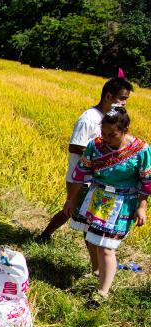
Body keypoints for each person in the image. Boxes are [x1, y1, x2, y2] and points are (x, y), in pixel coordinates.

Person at [64, 107, 150, 305]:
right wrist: (71, 199)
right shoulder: (95, 145)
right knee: (92, 239)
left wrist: (142, 206)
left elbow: (146, 180)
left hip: (122, 203)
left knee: (107, 247)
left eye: (113, 135)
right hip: (98, 197)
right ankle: (97, 271)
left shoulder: (141, 149)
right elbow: (81, 173)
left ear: (125, 129)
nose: (107, 138)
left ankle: (102, 292)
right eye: (103, 133)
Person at [39, 76, 134, 241]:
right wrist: (100, 154)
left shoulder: (107, 119)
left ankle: (46, 235)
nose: (124, 103)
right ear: (108, 97)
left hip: (95, 178)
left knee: (83, 212)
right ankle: (46, 235)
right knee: (77, 210)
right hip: (79, 176)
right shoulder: (89, 118)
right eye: (122, 98)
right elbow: (74, 146)